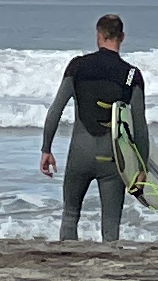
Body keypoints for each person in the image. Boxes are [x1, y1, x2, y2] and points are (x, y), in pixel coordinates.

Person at [39, 14, 146, 244]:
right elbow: (140, 126)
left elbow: (55, 110)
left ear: (98, 35)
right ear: (122, 37)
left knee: (70, 215)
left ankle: (68, 259)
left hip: (80, 154)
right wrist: (142, 167)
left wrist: (46, 149)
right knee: (111, 227)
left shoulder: (77, 66)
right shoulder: (131, 75)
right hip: (112, 159)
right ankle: (111, 264)